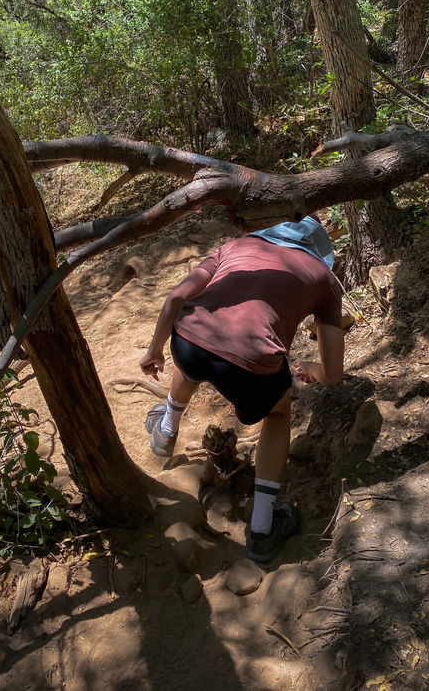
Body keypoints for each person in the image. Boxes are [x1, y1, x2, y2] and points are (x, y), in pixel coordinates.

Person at [139, 215, 345, 563]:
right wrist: (314, 370)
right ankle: (263, 527)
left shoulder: (235, 246)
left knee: (196, 342)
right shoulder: (323, 279)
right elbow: (334, 373)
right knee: (278, 411)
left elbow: (176, 298)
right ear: (320, 251)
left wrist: (154, 349)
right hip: (252, 366)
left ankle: (166, 429)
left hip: (187, 343)